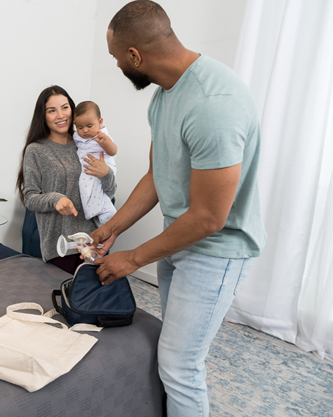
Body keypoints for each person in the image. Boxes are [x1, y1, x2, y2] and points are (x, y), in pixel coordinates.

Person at [90, 1, 267, 416]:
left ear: (135, 56)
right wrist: (114, 226)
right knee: (171, 352)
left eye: (117, 59)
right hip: (179, 238)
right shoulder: (166, 95)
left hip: (215, 249)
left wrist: (132, 259)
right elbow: (157, 173)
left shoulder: (213, 105)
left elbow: (209, 217)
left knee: (180, 365)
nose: (116, 66)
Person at [16, 86, 116, 274]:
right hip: (59, 245)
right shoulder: (36, 150)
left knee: (93, 298)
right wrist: (55, 199)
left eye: (65, 108)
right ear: (43, 116)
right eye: (51, 111)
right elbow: (30, 198)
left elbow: (109, 192)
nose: (60, 115)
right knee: (62, 297)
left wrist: (106, 174)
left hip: (93, 239)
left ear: (73, 110)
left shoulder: (88, 143)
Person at [73, 101, 118, 225]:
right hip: (88, 169)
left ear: (100, 122)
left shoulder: (102, 135)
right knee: (87, 187)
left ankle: (104, 211)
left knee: (96, 188)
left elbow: (113, 151)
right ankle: (99, 211)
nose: (85, 131)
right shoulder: (78, 136)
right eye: (80, 127)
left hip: (104, 166)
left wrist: (104, 142)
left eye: (89, 126)